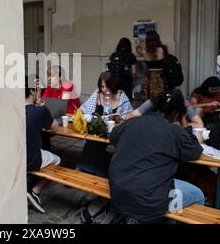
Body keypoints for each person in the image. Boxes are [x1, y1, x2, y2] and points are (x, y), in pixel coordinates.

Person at [109, 90, 205, 224]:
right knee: (198, 195)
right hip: (149, 202)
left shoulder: (131, 122)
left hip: (118, 193)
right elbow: (195, 152)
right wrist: (183, 121)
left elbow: (113, 136)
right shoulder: (174, 131)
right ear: (175, 114)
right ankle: (158, 218)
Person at [77, 72, 133, 177]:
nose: (104, 89)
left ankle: (101, 172)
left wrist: (118, 122)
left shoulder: (121, 97)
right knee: (93, 140)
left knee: (104, 143)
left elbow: (129, 118)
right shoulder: (97, 94)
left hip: (114, 131)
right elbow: (84, 109)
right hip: (97, 130)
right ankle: (86, 168)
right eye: (102, 86)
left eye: (107, 86)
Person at [25, 75, 61, 214]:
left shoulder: (14, 110)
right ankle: (35, 191)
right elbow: (56, 128)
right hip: (31, 160)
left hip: (15, 157)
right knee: (58, 160)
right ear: (33, 91)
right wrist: (43, 109)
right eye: (39, 90)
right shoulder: (39, 110)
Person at [127, 97, 205, 129]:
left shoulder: (183, 103)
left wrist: (180, 124)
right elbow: (130, 116)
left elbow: (199, 124)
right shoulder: (153, 101)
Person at [136, 31, 167, 100]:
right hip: (161, 77)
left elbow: (138, 50)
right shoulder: (163, 49)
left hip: (149, 77)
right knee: (160, 98)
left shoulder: (144, 52)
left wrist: (138, 43)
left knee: (149, 99)